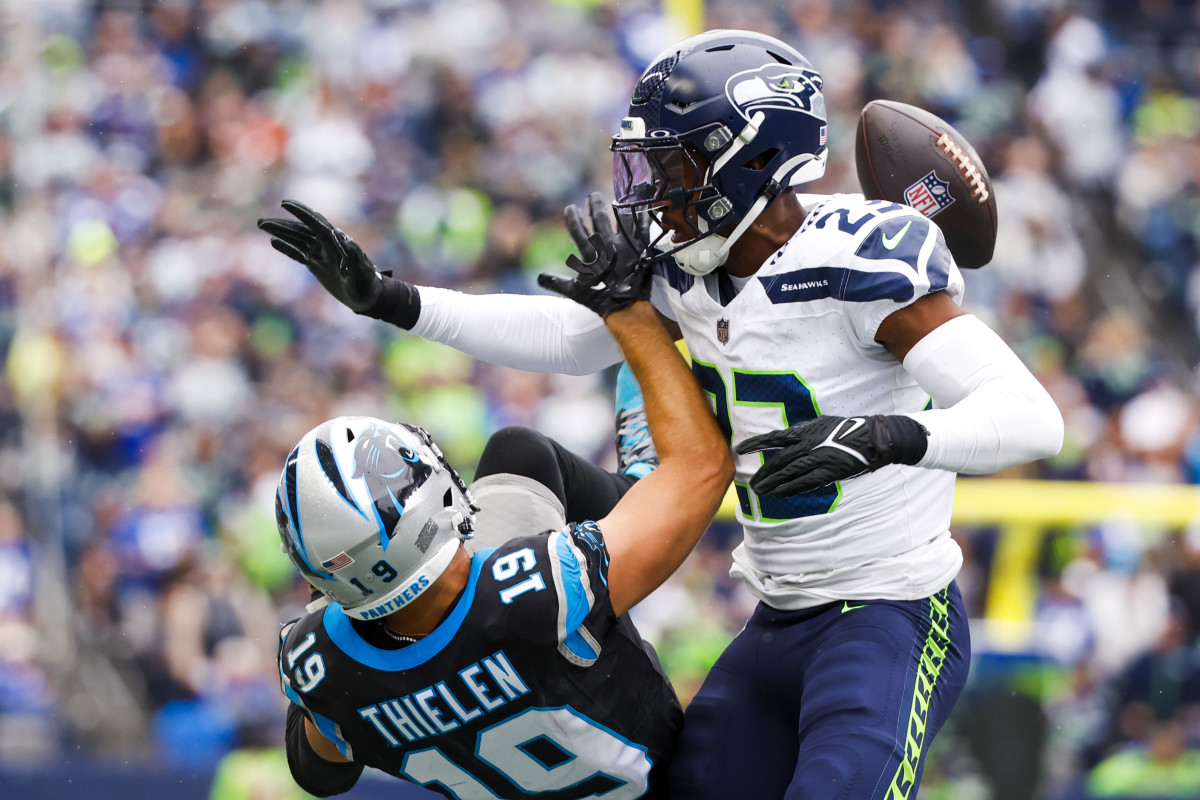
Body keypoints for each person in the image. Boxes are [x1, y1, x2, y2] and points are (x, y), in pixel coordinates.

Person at [260, 28, 1064, 800]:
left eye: (676, 163)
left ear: (753, 158)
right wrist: (393, 301)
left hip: (888, 613)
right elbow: (570, 337)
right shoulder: (685, 268)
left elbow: (1032, 418)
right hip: (778, 616)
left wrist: (893, 436)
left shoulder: (858, 255)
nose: (656, 188)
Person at [272, 267, 733, 798]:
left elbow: (319, 772)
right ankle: (638, 480)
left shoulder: (317, 666)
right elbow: (703, 466)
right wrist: (634, 321)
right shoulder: (541, 589)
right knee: (524, 454)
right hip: (669, 780)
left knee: (519, 457)